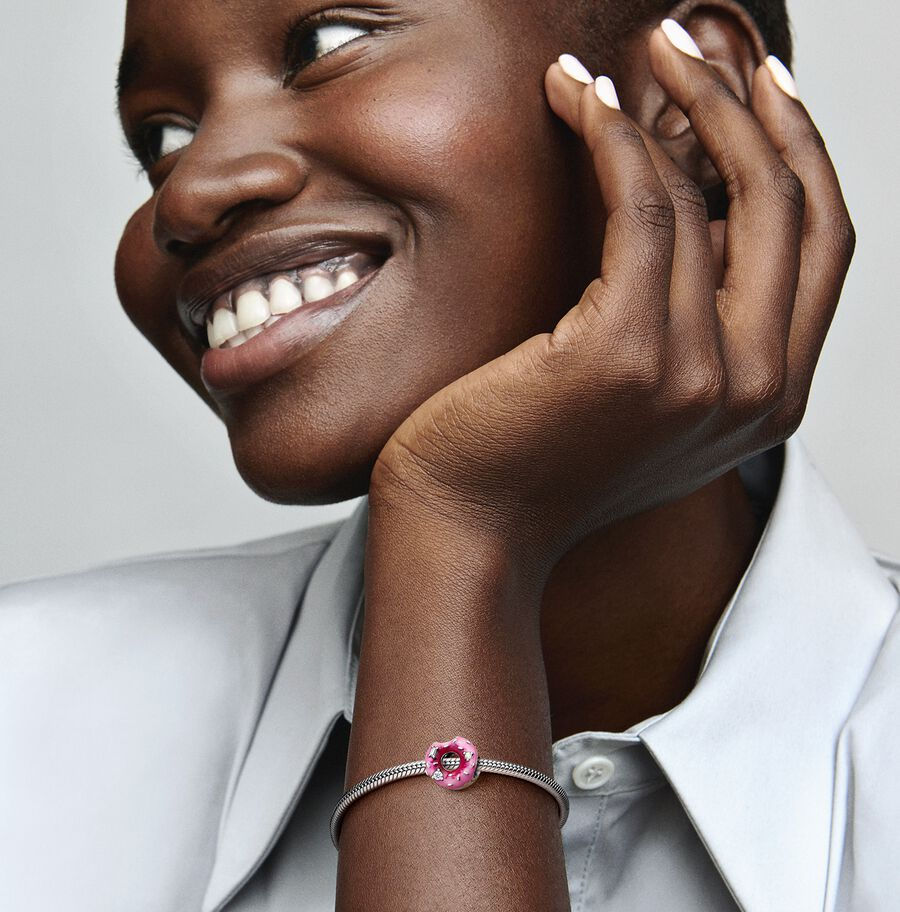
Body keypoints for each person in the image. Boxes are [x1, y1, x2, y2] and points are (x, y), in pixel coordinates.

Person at [1, 0, 897, 909]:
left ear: (685, 89)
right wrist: (454, 537)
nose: (188, 194)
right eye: (162, 136)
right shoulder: (23, 712)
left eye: (326, 45)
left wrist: (459, 528)